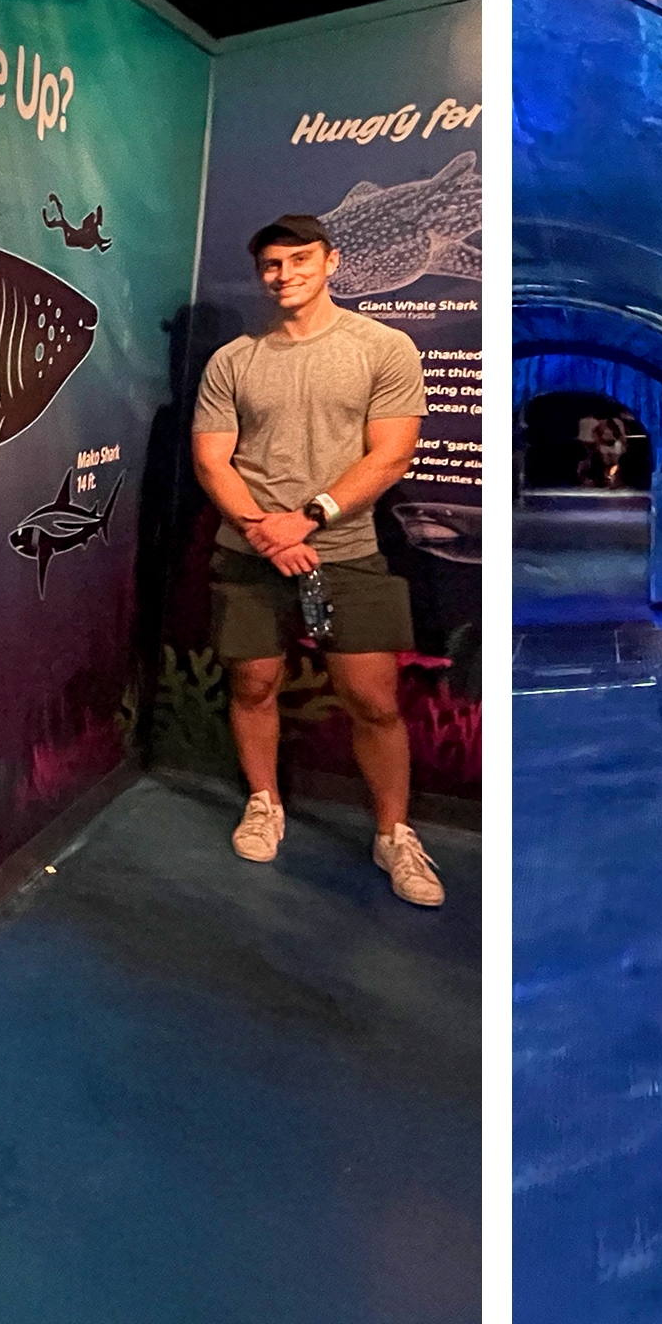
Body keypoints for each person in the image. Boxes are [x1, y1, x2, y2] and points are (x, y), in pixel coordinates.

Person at [192, 213, 442, 907]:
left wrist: (306, 520)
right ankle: (265, 801)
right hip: (250, 555)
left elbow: (391, 454)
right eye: (272, 264)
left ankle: (394, 832)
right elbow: (213, 460)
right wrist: (263, 531)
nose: (285, 274)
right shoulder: (232, 361)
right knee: (253, 687)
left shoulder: (383, 347)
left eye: (300, 259)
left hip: (347, 551)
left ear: (331, 262)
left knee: (374, 702)